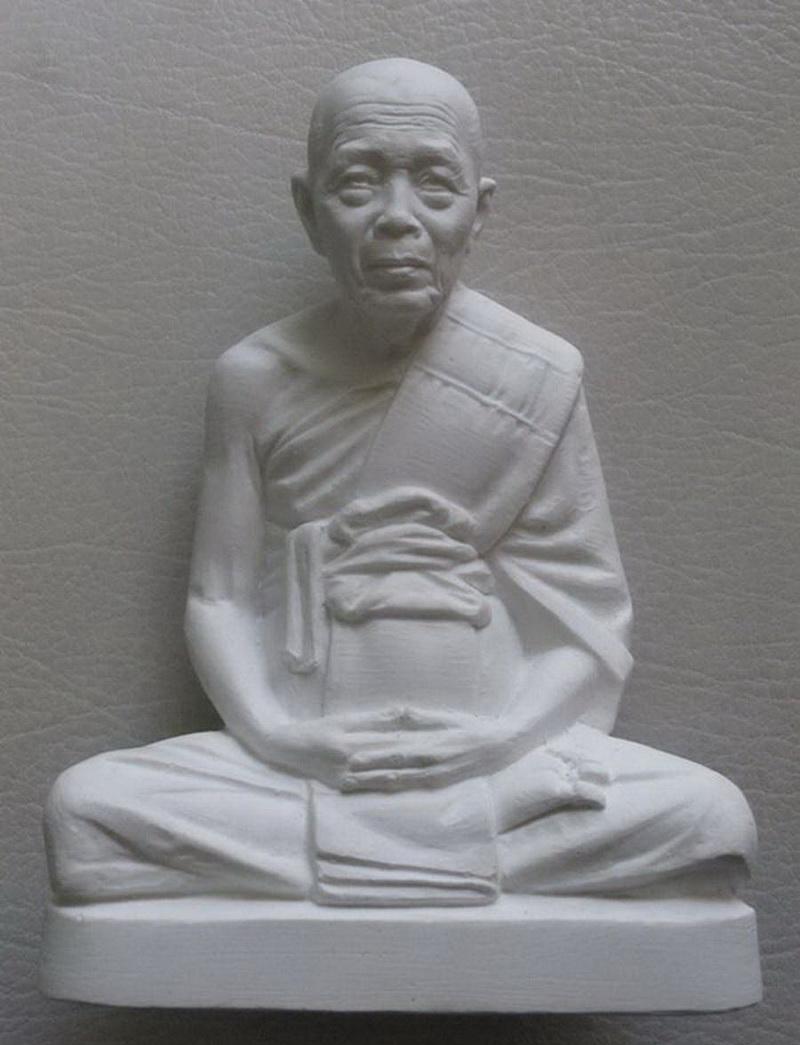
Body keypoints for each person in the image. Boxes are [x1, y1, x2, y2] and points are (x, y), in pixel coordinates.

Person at [44, 59, 756, 907]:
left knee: (711, 820)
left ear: (479, 211)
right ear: (309, 210)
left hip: (493, 761)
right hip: (304, 765)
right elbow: (219, 598)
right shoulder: (253, 380)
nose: (397, 218)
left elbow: (586, 623)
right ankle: (444, 852)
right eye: (357, 185)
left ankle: (369, 856)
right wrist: (279, 737)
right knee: (86, 811)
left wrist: (494, 743)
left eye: (434, 185)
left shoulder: (536, 375)